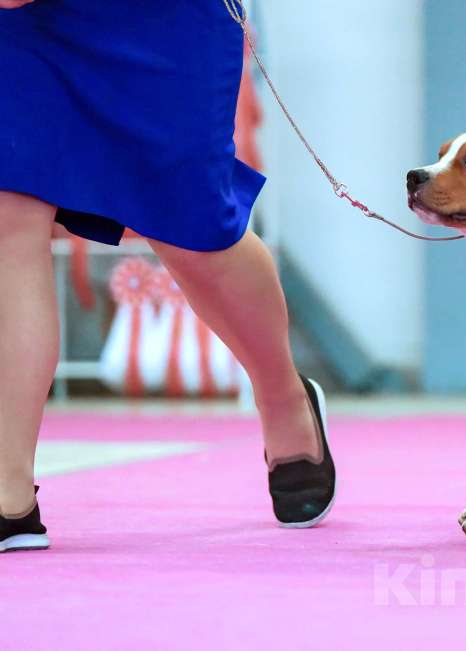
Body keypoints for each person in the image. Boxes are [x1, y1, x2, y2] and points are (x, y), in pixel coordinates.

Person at [0, 1, 336, 552]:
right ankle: (8, 490)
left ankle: (282, 395)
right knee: (8, 213)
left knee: (195, 233)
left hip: (160, 17)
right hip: (20, 33)